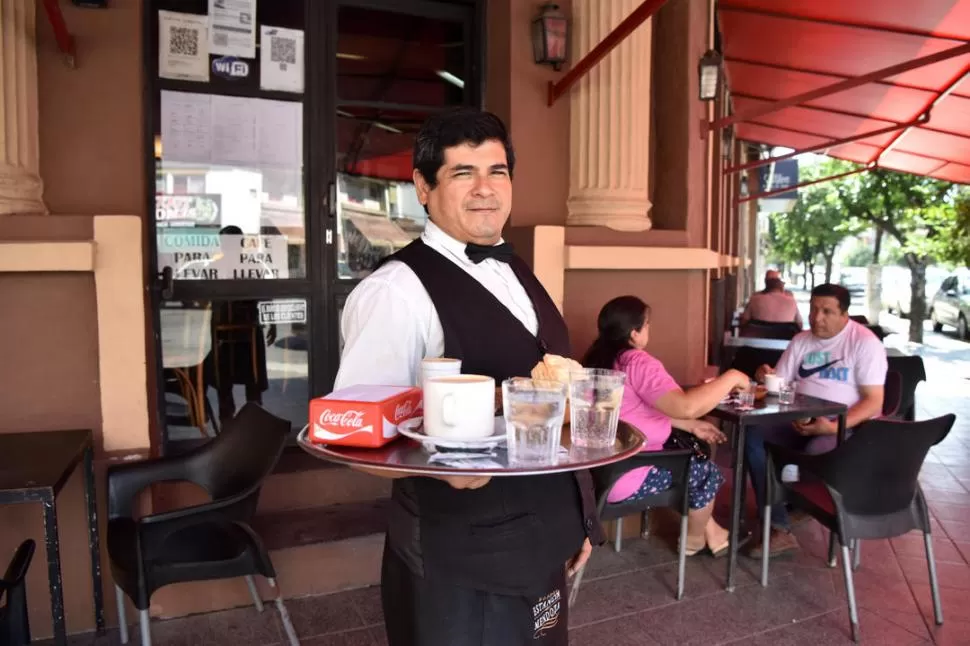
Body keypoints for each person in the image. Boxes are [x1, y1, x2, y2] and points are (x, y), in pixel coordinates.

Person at [334, 108, 602, 646]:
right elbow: (352, 435)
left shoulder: (516, 269)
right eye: (463, 173)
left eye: (497, 172)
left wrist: (578, 517)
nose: (485, 189)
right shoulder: (394, 293)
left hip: (544, 545)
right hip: (462, 562)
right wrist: (439, 471)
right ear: (423, 188)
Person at [582, 296, 753, 556]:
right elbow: (686, 405)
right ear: (635, 332)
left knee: (691, 456)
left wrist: (690, 425)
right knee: (704, 472)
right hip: (629, 475)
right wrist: (732, 377)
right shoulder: (638, 363)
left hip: (597, 475)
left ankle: (716, 535)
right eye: (647, 325)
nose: (649, 330)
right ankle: (693, 541)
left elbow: (631, 413)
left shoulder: (596, 361)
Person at [745, 283, 887, 557]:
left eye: (826, 311)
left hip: (844, 425)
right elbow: (781, 382)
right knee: (753, 437)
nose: (816, 317)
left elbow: (873, 401)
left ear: (845, 315)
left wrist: (831, 427)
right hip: (796, 417)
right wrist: (764, 375)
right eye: (812, 309)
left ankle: (803, 505)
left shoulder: (864, 343)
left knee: (816, 452)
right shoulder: (802, 340)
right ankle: (779, 525)